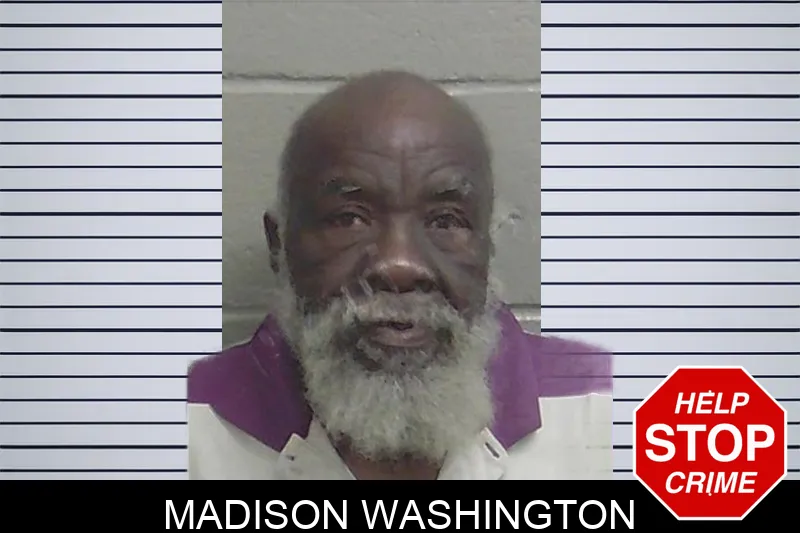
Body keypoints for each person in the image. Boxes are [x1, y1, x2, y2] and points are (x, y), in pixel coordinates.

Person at [187, 70, 612, 480]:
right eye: (349, 219)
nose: (400, 264)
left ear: (488, 245)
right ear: (279, 245)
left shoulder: (609, 413)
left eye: (446, 221)